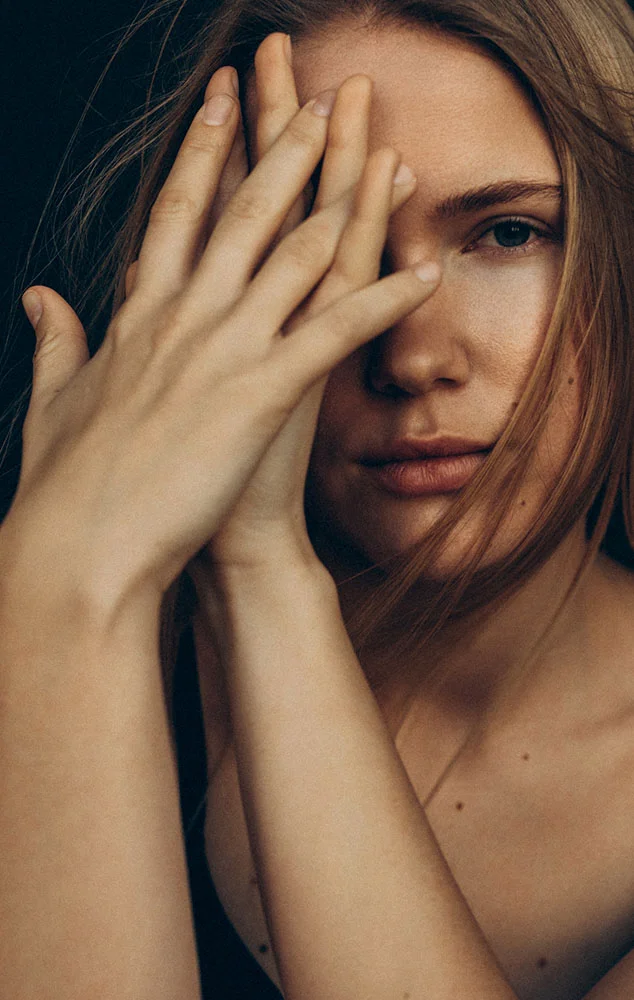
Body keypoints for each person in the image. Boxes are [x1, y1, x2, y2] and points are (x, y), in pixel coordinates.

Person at [2, 0, 634, 997]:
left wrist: (255, 568)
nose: (415, 355)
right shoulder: (79, 633)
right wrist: (63, 584)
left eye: (508, 233)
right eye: (328, 242)